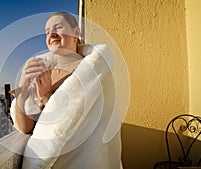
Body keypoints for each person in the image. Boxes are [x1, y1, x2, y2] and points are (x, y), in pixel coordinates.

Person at [10, 12, 122, 169]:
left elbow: (70, 117)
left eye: (58, 27)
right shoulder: (43, 74)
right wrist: (23, 86)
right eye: (47, 32)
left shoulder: (92, 70)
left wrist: (45, 97)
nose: (52, 34)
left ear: (76, 32)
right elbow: (26, 127)